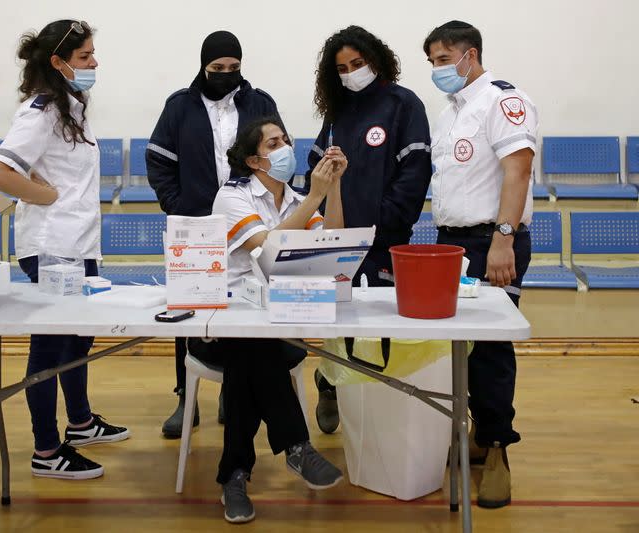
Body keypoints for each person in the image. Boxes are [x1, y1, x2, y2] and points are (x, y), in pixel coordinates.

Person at [0, 19, 129, 480]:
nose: (94, 63)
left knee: (76, 336)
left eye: (91, 55)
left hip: (77, 243)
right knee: (49, 345)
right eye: (85, 57)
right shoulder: (41, 110)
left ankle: (81, 423)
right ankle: (47, 450)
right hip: (50, 247)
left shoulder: (71, 106)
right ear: (58, 61)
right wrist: (44, 196)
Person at [189, 117, 346, 523]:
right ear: (254, 160)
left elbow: (333, 242)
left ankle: (235, 476)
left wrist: (334, 189)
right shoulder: (233, 196)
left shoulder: (296, 199)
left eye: (285, 139)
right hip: (219, 324)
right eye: (273, 142)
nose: (284, 147)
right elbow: (269, 250)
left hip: (279, 320)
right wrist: (315, 197)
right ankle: (296, 447)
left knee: (253, 359)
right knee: (252, 349)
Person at [423, 20, 537, 508]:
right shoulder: (452, 112)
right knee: (460, 347)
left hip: (493, 241)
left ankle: (497, 451)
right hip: (453, 242)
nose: (437, 70)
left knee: (490, 351)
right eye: (432, 62)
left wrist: (503, 239)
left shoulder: (503, 101)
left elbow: (519, 169)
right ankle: (476, 433)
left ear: (470, 55)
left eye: (443, 60)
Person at [146, 30, 281, 438]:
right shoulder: (180, 107)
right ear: (203, 66)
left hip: (247, 223)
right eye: (217, 69)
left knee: (243, 305)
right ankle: (186, 396)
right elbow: (158, 161)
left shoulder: (259, 103)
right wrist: (179, 204)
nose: (226, 75)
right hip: (196, 227)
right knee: (188, 308)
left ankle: (231, 391)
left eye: (234, 68)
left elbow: (276, 154)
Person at [307, 25, 432, 434]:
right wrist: (322, 224)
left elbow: (414, 177)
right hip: (336, 241)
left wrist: (385, 225)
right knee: (336, 323)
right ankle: (329, 382)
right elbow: (316, 172)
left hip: (383, 243)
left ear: (375, 60)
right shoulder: (337, 111)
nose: (350, 73)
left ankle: (376, 411)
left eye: (357, 64)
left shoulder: (403, 105)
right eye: (342, 68)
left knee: (377, 328)